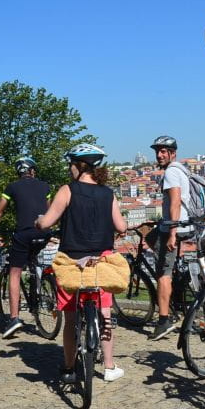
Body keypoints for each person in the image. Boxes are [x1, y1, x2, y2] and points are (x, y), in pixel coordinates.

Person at [35, 143, 128, 383]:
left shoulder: (68, 190)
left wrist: (38, 223)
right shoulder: (108, 194)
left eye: (70, 166)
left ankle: (68, 368)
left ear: (78, 166)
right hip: (101, 261)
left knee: (71, 319)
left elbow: (47, 223)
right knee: (104, 313)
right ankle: (108, 367)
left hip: (71, 262)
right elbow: (121, 227)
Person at [0, 157, 51, 337]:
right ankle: (38, 282)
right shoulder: (45, 186)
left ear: (19, 173)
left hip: (24, 233)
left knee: (15, 272)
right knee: (33, 256)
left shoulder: (12, 187)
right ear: (33, 171)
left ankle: (14, 318)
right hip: (43, 232)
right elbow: (51, 211)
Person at [145, 135, 191, 341]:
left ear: (173, 153)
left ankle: (164, 320)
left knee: (163, 272)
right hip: (181, 225)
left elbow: (174, 203)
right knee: (150, 237)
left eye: (164, 151)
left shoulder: (172, 172)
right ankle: (176, 291)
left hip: (175, 227)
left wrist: (172, 232)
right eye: (158, 151)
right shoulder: (182, 169)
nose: (160, 154)